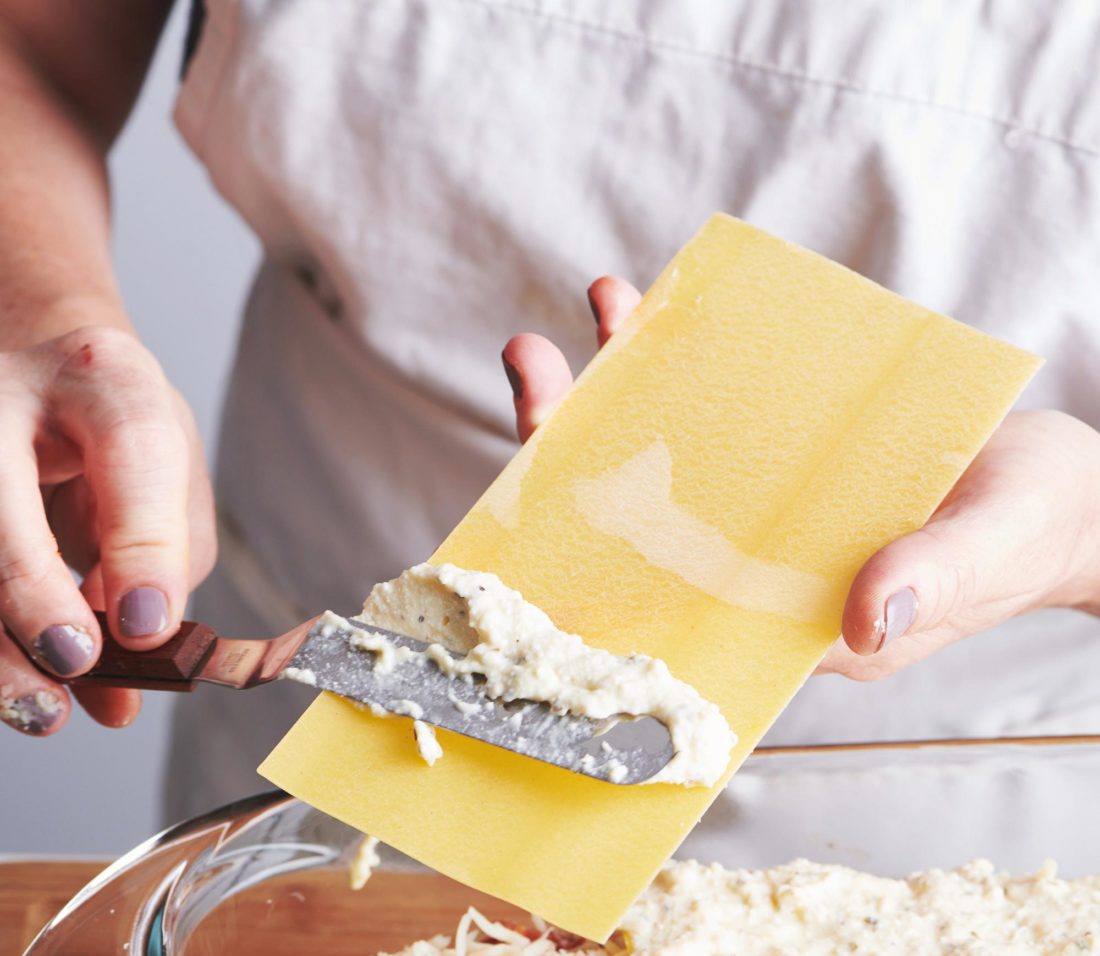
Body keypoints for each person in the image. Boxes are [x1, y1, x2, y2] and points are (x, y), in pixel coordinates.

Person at [0, 2, 1097, 837]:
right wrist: (47, 319)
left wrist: (1080, 536)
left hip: (943, 836)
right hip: (330, 741)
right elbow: (34, 50)